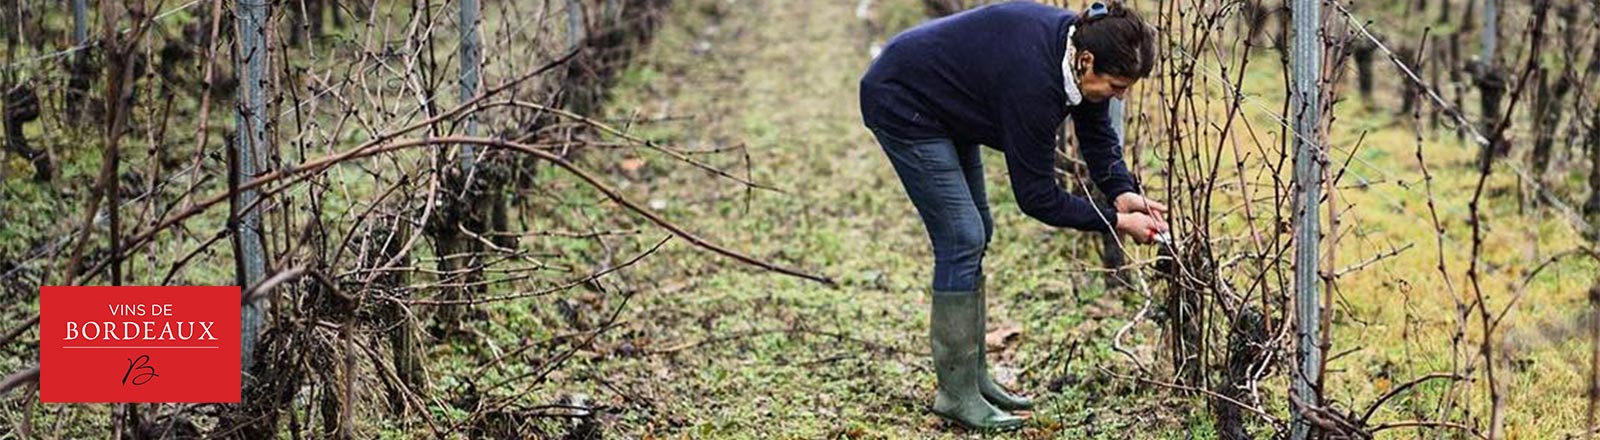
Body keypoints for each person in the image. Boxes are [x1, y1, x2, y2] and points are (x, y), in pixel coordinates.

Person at [858, 1, 1167, 431]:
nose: (1120, 96)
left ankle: (975, 379)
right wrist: (1115, 222)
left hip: (950, 102)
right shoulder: (1036, 85)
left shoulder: (1082, 50)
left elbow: (1096, 132)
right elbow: (1037, 198)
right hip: (904, 99)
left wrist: (1123, 191)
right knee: (962, 237)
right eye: (1117, 85)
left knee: (977, 232)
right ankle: (956, 393)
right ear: (1086, 62)